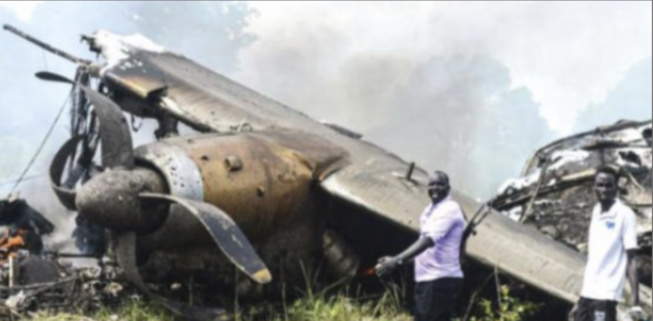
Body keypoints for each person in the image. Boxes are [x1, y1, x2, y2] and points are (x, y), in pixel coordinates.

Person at [376, 170, 466, 321]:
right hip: (427, 280)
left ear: (448, 188)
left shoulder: (449, 209)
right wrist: (397, 261)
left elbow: (428, 241)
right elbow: (427, 251)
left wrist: (396, 260)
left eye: (439, 184)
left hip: (439, 280)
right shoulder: (429, 211)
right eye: (431, 184)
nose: (435, 188)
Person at [570, 165, 643, 321]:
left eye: (608, 185)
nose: (604, 189)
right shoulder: (596, 211)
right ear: (594, 187)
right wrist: (582, 298)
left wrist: (636, 303)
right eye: (600, 185)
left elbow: (632, 260)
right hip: (588, 293)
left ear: (616, 187)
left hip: (606, 294)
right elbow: (595, 259)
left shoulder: (625, 214)